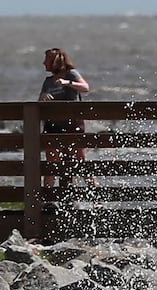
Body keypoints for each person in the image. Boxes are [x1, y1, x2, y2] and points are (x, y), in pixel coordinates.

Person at [39, 48, 96, 188]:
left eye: (46, 60)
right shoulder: (48, 81)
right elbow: (40, 102)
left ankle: (96, 198)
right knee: (52, 162)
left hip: (72, 124)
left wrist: (67, 83)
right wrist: (42, 97)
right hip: (53, 125)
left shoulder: (71, 74)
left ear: (55, 61)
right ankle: (49, 200)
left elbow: (85, 87)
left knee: (80, 160)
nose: (43, 63)